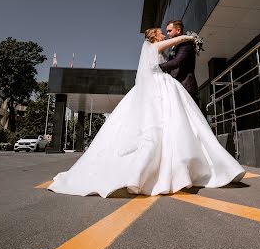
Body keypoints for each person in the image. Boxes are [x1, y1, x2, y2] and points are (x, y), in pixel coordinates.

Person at [48, 28, 245, 198]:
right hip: (160, 84)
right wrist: (189, 37)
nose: (163, 35)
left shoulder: (151, 49)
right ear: (153, 37)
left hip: (157, 83)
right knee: (169, 120)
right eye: (160, 33)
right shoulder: (154, 46)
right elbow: (174, 41)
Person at [159, 20, 198, 101]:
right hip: (176, 86)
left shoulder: (186, 44)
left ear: (178, 30)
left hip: (185, 85)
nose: (167, 34)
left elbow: (176, 62)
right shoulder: (173, 46)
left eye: (169, 31)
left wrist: (157, 67)